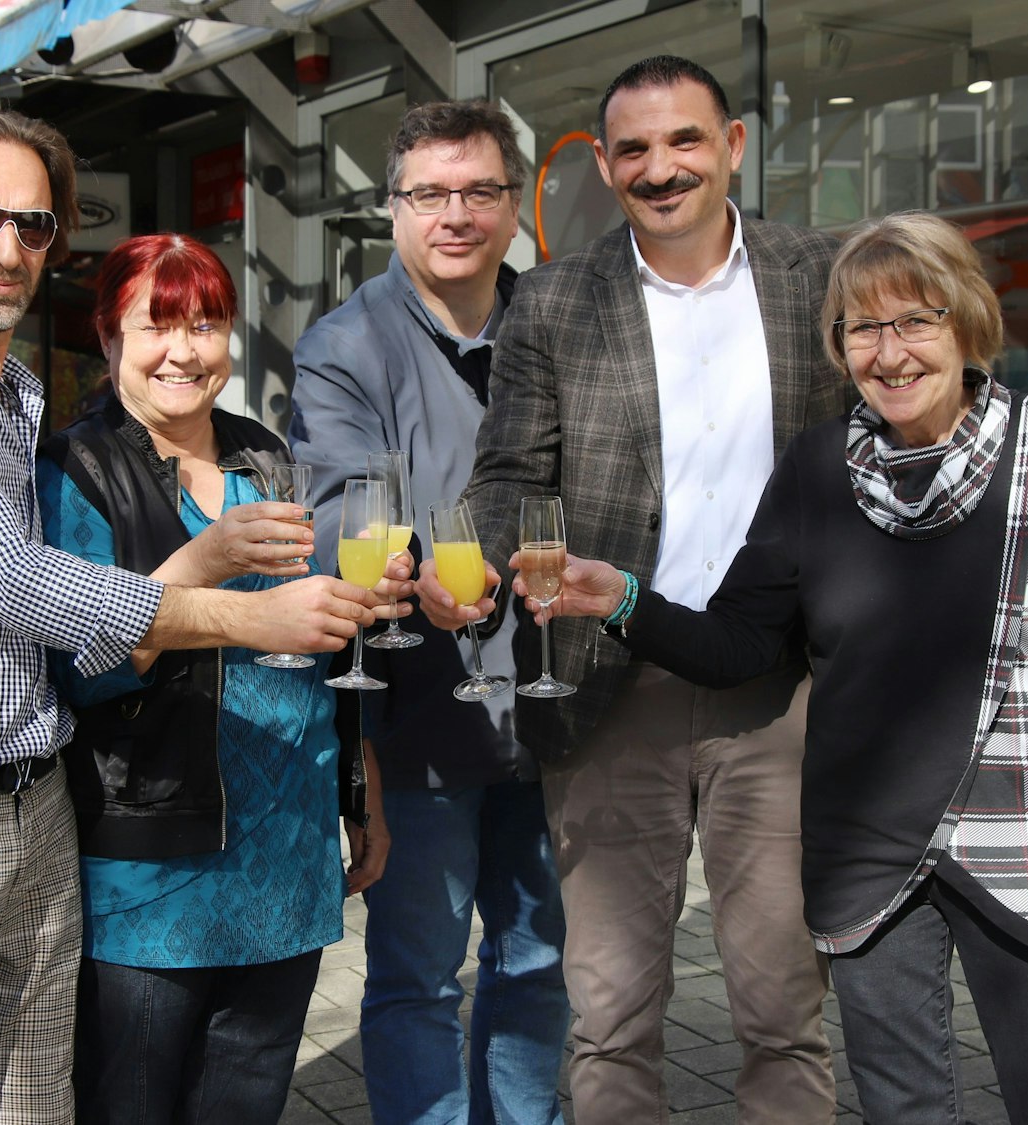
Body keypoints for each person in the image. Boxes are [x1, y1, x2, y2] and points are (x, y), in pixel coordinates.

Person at [513, 210, 1028, 1123]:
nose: (889, 352)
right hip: (871, 844)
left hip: (1027, 833)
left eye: (916, 321)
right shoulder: (819, 466)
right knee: (902, 1108)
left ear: (966, 322)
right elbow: (738, 644)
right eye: (864, 327)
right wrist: (620, 596)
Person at [0, 110, 374, 1125]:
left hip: (35, 799)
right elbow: (8, 577)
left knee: (32, 1101)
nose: (7, 246)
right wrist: (237, 611)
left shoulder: (10, 390)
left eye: (32, 225)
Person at [420, 57, 843, 1123]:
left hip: (779, 692)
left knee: (783, 1012)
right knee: (609, 1021)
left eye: (685, 140)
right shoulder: (555, 300)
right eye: (635, 150)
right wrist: (484, 562)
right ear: (605, 167)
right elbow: (510, 476)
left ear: (732, 145)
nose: (662, 168)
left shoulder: (818, 277)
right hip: (609, 682)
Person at [38, 232, 388, 1125]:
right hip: (153, 874)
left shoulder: (263, 455)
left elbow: (322, 644)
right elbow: (81, 671)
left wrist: (360, 787)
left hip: (286, 857)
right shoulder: (76, 471)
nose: (184, 351)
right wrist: (203, 560)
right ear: (108, 337)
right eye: (157, 325)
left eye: (206, 324)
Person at [289, 100, 569, 1125]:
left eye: (479, 191)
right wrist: (408, 568)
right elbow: (338, 510)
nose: (456, 214)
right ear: (393, 207)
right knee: (417, 977)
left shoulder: (557, 325)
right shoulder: (343, 346)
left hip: (554, 703)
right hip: (415, 715)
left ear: (512, 205)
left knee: (538, 963)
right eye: (430, 194)